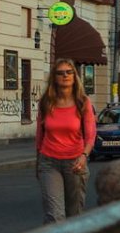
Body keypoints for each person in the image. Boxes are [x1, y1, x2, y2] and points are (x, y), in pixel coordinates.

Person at [36, 58, 97, 224]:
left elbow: (91, 134)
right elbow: (39, 135)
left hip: (75, 163)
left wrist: (84, 155)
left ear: (74, 76)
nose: (65, 76)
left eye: (69, 72)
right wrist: (38, 162)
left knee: (74, 215)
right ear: (54, 77)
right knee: (54, 215)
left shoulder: (82, 102)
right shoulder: (46, 103)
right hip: (49, 162)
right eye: (60, 73)